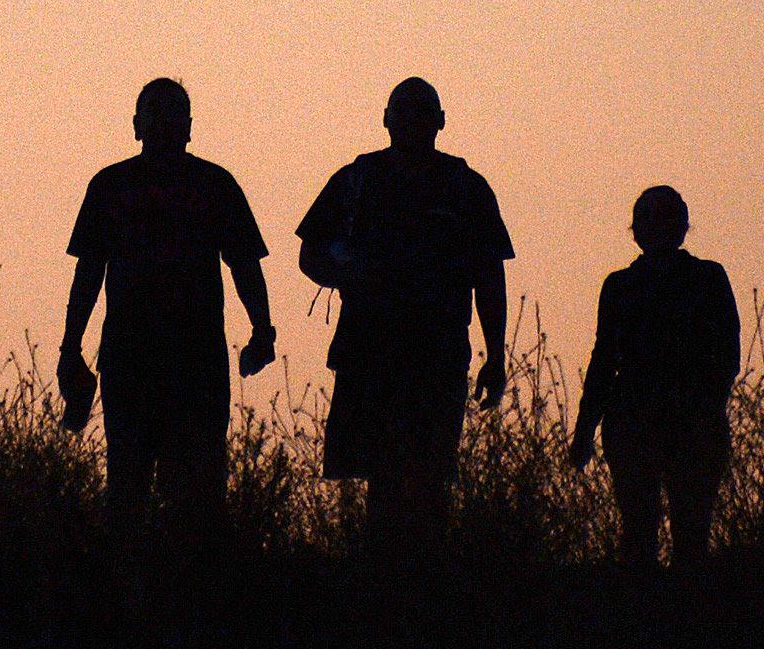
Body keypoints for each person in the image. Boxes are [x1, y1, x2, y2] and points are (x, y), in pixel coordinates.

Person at [297, 77, 514, 552]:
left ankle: (423, 587)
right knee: (381, 478)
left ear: (440, 122)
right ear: (386, 118)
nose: (413, 121)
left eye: (423, 111)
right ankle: (388, 588)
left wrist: (496, 356)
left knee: (430, 477)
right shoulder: (357, 181)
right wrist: (351, 274)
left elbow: (490, 277)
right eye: (404, 110)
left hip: (438, 355)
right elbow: (310, 255)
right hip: (369, 352)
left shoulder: (465, 188)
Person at [59, 77, 275, 537]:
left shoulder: (215, 186)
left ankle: (187, 595)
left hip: (195, 363)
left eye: (173, 112)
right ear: (136, 125)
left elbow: (245, 264)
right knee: (127, 488)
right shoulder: (109, 186)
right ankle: (133, 595)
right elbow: (88, 272)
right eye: (154, 112)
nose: (163, 122)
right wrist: (70, 349)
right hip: (129, 359)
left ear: (190, 127)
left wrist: (264, 331)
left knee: (197, 498)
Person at [569, 186, 743, 571]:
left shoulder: (706, 279)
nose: (655, 228)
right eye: (647, 218)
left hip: (684, 420)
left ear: (681, 228)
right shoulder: (621, 286)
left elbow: (728, 352)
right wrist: (585, 428)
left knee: (688, 536)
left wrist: (707, 405)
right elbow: (603, 360)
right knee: (641, 534)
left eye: (664, 218)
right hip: (638, 422)